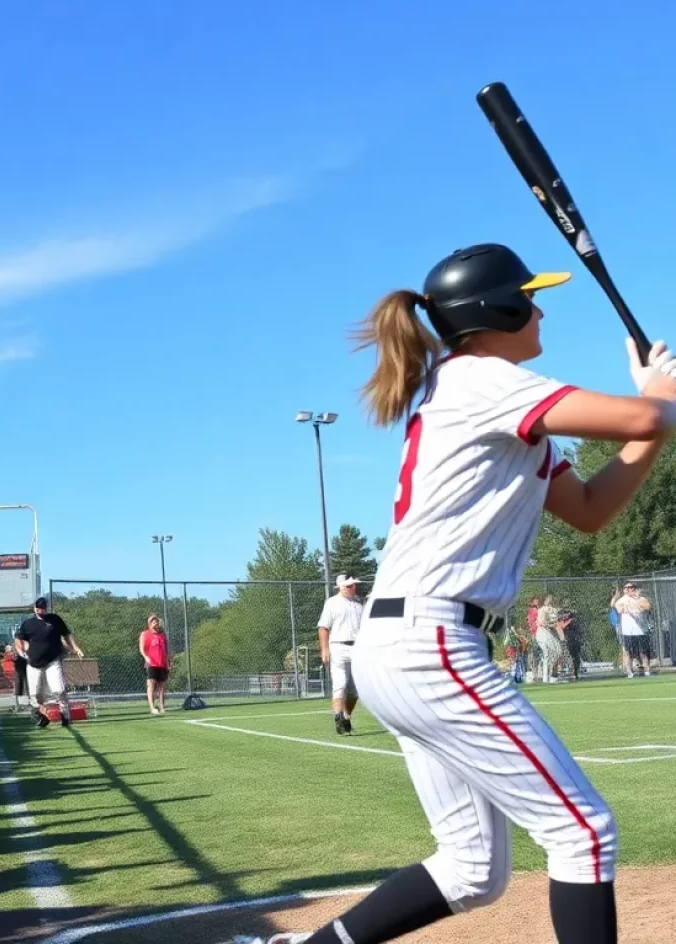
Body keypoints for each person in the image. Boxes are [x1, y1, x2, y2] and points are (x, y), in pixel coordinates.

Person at [262, 244, 676, 944]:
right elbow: (643, 420)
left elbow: (589, 507)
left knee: (474, 868)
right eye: (529, 295)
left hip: (403, 648)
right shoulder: (482, 379)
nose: (540, 307)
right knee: (584, 832)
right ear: (498, 310)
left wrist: (657, 412)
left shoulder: (484, 396)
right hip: (432, 643)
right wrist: (657, 394)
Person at [15, 597, 83, 730]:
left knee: (58, 689)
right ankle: (42, 716)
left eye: (43, 607)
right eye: (38, 607)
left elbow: (67, 635)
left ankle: (65, 716)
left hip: (52, 661)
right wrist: (21, 652)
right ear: (34, 608)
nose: (40, 610)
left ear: (46, 608)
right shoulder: (28, 623)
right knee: (36, 695)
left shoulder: (55, 620)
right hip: (33, 663)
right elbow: (18, 640)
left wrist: (75, 648)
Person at [316, 574, 363, 734]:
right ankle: (338, 717)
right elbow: (323, 627)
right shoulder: (332, 603)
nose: (351, 588)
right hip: (338, 647)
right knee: (340, 684)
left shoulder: (358, 603)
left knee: (354, 690)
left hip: (357, 648)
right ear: (340, 587)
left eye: (353, 585)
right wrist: (324, 650)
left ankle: (346, 717)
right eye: (348, 586)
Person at [612, 581, 652, 677]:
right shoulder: (621, 600)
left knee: (643, 652)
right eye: (628, 587)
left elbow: (647, 606)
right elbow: (619, 609)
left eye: (632, 587)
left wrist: (636, 602)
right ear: (624, 590)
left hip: (641, 630)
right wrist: (632, 606)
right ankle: (630, 673)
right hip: (628, 632)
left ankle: (647, 671)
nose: (630, 589)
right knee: (628, 653)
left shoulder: (641, 598)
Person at [138, 614, 170, 715]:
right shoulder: (145, 634)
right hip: (151, 663)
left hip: (162, 664)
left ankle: (161, 706)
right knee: (151, 684)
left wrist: (168, 663)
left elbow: (166, 651)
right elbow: (142, 649)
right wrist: (146, 657)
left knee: (162, 686)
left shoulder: (162, 635)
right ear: (149, 624)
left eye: (156, 621)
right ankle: (152, 708)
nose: (155, 623)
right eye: (153, 621)